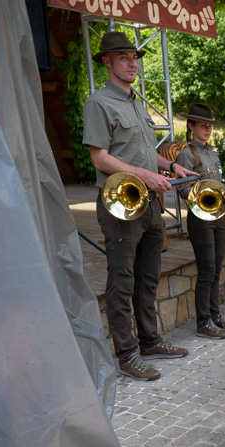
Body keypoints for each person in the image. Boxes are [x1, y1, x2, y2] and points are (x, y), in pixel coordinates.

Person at [83, 31, 195, 381]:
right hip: (119, 206)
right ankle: (127, 354)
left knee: (147, 279)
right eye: (124, 58)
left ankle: (149, 342)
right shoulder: (99, 103)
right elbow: (100, 158)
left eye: (135, 58)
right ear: (107, 62)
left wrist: (171, 166)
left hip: (147, 204)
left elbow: (144, 154)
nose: (133, 63)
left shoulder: (136, 102)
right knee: (122, 281)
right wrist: (146, 175)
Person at [174, 103, 225, 341]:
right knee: (207, 271)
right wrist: (198, 197)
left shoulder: (212, 152)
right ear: (191, 126)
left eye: (210, 125)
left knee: (216, 269)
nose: (208, 129)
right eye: (203, 125)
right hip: (200, 219)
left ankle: (215, 316)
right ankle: (203, 322)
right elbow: (181, 189)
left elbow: (219, 184)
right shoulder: (186, 154)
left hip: (219, 216)